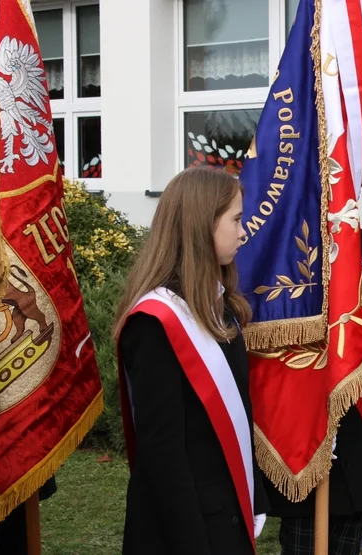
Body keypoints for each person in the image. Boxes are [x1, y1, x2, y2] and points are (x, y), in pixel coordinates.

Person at [111, 167, 269, 555]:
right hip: (185, 527)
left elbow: (237, 415)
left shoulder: (220, 305)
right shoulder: (155, 322)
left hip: (226, 511)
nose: (243, 231)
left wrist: (254, 495)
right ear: (202, 225)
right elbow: (162, 452)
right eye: (235, 219)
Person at [265, 174, 362, 555]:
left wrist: (349, 320)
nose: (359, 181)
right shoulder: (279, 247)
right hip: (302, 434)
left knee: (348, 539)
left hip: (358, 432)